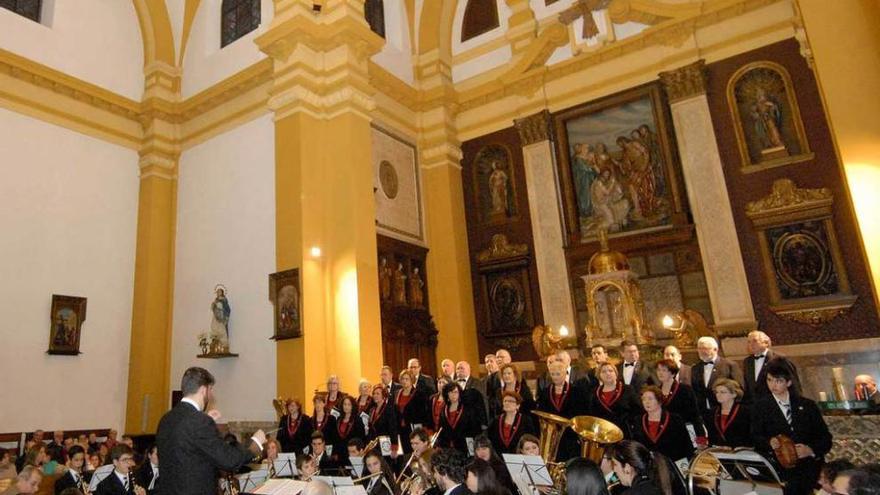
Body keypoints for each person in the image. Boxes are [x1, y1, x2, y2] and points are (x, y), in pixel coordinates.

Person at [156, 367, 267, 495]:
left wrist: (206, 421)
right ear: (204, 390)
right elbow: (230, 460)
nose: (210, 395)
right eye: (210, 390)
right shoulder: (199, 422)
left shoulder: (166, 419)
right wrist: (255, 444)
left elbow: (187, 449)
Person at [750, 362, 832, 495]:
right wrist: (769, 442)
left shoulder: (807, 405)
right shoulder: (760, 407)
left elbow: (825, 438)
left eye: (778, 381)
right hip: (780, 469)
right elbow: (755, 436)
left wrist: (810, 450)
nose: (773, 385)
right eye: (769, 380)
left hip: (808, 468)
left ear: (788, 383)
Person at [536, 362, 590, 461]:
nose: (555, 377)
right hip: (552, 437)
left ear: (565, 374)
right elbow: (541, 413)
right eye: (553, 374)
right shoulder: (545, 392)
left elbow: (582, 413)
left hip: (570, 435)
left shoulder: (576, 391)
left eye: (558, 374)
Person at [629, 387, 694, 462]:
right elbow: (637, 444)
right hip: (649, 464)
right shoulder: (638, 420)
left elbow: (686, 444)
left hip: (673, 463)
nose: (646, 402)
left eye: (650, 399)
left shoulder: (674, 419)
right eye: (644, 399)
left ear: (659, 401)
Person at [691, 337, 744, 421]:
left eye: (704, 348)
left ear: (715, 349)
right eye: (699, 348)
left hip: (725, 410)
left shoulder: (729, 365)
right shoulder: (695, 368)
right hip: (703, 412)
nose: (701, 351)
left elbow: (739, 388)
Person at [743, 330, 801, 401]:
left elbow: (793, 382)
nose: (751, 344)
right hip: (756, 406)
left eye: (755, 341)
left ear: (766, 343)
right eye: (749, 342)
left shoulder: (779, 359)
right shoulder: (747, 361)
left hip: (776, 403)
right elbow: (748, 387)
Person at [654, 359, 704, 440]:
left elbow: (695, 415)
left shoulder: (685, 390)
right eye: (658, 370)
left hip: (683, 431)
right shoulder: (656, 391)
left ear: (673, 373)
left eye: (664, 370)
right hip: (663, 432)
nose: (660, 373)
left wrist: (700, 436)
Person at [588, 363, 641, 436]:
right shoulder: (595, 392)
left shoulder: (627, 389)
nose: (608, 373)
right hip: (603, 434)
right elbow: (592, 415)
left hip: (624, 433)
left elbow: (638, 410)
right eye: (603, 371)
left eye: (610, 370)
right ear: (599, 375)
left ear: (616, 374)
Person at [437, 383, 482, 453]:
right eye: (450, 392)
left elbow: (474, 428)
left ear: (459, 393)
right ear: (447, 394)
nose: (453, 395)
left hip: (465, 446)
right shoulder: (443, 410)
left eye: (456, 392)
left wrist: (471, 450)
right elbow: (441, 429)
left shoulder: (467, 408)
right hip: (448, 447)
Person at [706, 378, 750, 448]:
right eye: (717, 392)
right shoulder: (712, 412)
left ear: (734, 394)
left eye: (723, 392)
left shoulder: (745, 411)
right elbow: (711, 434)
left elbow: (748, 433)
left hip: (740, 451)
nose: (718, 395)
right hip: (718, 450)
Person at [395, 370, 431, 453]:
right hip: (400, 429)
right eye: (403, 379)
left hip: (414, 427)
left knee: (416, 451)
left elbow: (423, 413)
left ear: (412, 380)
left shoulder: (419, 394)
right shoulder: (396, 393)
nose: (404, 381)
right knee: (404, 452)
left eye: (407, 379)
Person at [454, 361, 488, 427]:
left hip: (474, 420)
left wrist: (484, 422)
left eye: (462, 368)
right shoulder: (452, 384)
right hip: (456, 421)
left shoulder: (478, 383)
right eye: (457, 368)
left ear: (469, 370)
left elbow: (483, 402)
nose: (459, 370)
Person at [335, 395, 367, 465]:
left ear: (353, 406)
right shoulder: (338, 419)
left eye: (349, 405)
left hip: (353, 453)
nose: (346, 407)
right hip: (340, 454)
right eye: (345, 404)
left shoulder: (357, 419)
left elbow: (361, 438)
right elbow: (336, 437)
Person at [367, 385, 399, 453]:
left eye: (377, 393)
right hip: (374, 444)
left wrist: (394, 447)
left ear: (383, 396)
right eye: (374, 393)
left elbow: (393, 428)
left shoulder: (389, 409)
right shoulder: (371, 410)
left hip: (386, 443)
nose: (375, 395)